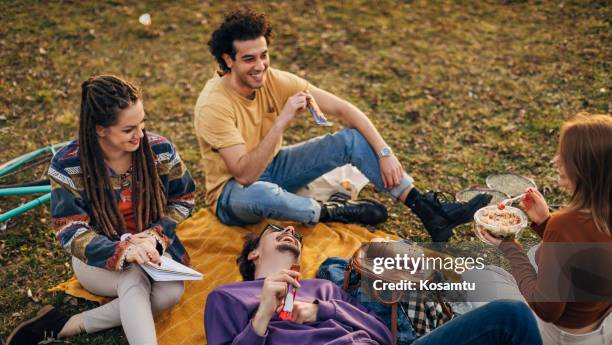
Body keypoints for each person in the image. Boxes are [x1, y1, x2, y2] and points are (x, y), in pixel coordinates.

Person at [194, 9, 490, 242]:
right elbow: (245, 175)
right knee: (261, 193)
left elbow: (345, 110)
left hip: (275, 169)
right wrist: (283, 120)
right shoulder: (214, 105)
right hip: (233, 196)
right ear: (227, 59)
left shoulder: (273, 79)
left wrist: (386, 153)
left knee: (351, 140)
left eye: (264, 55)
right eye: (249, 59)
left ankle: (429, 210)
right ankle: (333, 213)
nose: (260, 66)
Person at [204, 224, 552, 345]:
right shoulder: (227, 298)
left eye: (296, 234)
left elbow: (382, 336)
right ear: (253, 254)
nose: (291, 233)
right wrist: (263, 315)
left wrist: (321, 310)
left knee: (512, 316)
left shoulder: (319, 288)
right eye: (278, 229)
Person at [5, 75, 196, 345]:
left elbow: (185, 198)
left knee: (170, 293)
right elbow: (69, 229)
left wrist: (154, 236)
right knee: (133, 276)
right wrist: (124, 249)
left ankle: (65, 326)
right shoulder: (67, 163)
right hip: (96, 258)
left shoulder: (160, 150)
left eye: (142, 124)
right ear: (100, 129)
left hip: (153, 248)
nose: (141, 135)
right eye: (128, 129)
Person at [477, 113, 612, 345]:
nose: (555, 161)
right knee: (539, 253)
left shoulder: (567, 225)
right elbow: (587, 254)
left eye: (564, 157)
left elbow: (547, 309)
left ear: (584, 168)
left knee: (480, 276)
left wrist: (508, 246)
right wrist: (544, 222)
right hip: (603, 328)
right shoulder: (590, 218)